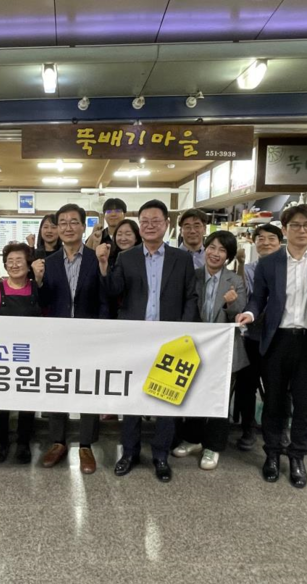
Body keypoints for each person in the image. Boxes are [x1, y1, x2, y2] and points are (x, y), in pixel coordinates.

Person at [237, 204, 307, 489]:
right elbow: (258, 298)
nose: (302, 230)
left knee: (304, 404)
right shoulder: (269, 263)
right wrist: (249, 313)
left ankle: (298, 456)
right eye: (295, 225)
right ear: (285, 229)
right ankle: (272, 454)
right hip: (277, 340)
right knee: (274, 401)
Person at [98, 199, 198, 483]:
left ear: (166, 224)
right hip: (135, 339)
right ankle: (129, 452)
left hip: (170, 340)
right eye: (145, 221)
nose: (150, 225)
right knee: (132, 398)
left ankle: (161, 455)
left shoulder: (182, 258)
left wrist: (182, 332)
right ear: (139, 225)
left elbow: (191, 297)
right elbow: (113, 290)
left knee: (166, 399)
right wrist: (104, 264)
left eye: (156, 221)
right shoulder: (126, 257)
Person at [35, 203, 107, 475]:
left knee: (88, 388)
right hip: (58, 337)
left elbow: (105, 298)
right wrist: (38, 281)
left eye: (73, 222)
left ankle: (86, 445)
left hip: (90, 336)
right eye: (62, 222)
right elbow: (44, 302)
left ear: (83, 226)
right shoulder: (50, 262)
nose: (67, 227)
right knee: (57, 386)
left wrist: (101, 332)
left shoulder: (95, 259)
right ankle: (58, 442)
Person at [173, 231, 249, 470]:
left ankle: (213, 446)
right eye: (212, 247)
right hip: (195, 348)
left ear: (228, 256)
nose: (215, 253)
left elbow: (239, 314)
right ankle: (192, 439)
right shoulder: (193, 276)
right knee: (194, 393)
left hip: (224, 350)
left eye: (222, 250)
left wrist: (231, 303)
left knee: (219, 399)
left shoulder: (235, 280)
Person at [0, 242, 45, 464]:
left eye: (19, 260)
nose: (14, 265)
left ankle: (24, 443)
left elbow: (47, 319)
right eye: (10, 261)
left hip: (30, 354)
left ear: (28, 264)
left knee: (27, 400)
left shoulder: (37, 289)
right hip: (1, 354)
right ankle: (0, 442)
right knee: (0, 400)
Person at [235, 223, 283, 451]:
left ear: (280, 242)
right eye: (260, 238)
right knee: (247, 385)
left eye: (271, 238)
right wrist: (240, 265)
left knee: (279, 387)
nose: (266, 243)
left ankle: (279, 430)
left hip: (280, 338)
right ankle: (248, 427)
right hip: (253, 337)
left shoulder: (289, 269)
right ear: (254, 243)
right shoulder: (249, 270)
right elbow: (247, 299)